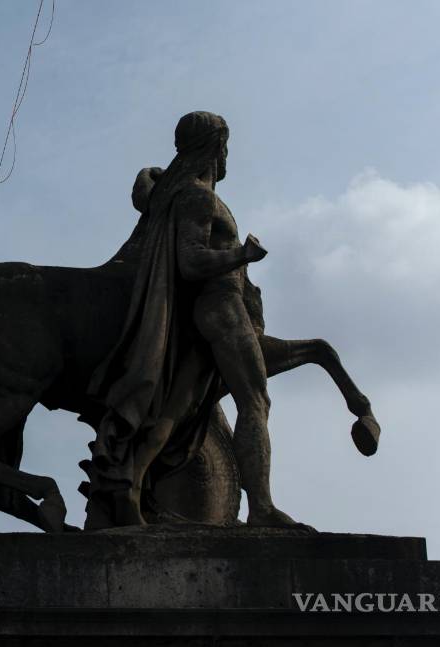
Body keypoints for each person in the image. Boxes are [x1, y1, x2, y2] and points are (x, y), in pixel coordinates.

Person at [89, 111, 300, 529]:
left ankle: (129, 481)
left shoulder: (175, 194)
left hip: (200, 318)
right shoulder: (198, 197)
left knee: (173, 410)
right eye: (224, 146)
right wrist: (242, 255)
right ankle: (261, 508)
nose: (226, 155)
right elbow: (190, 261)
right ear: (214, 147)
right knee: (255, 402)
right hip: (222, 309)